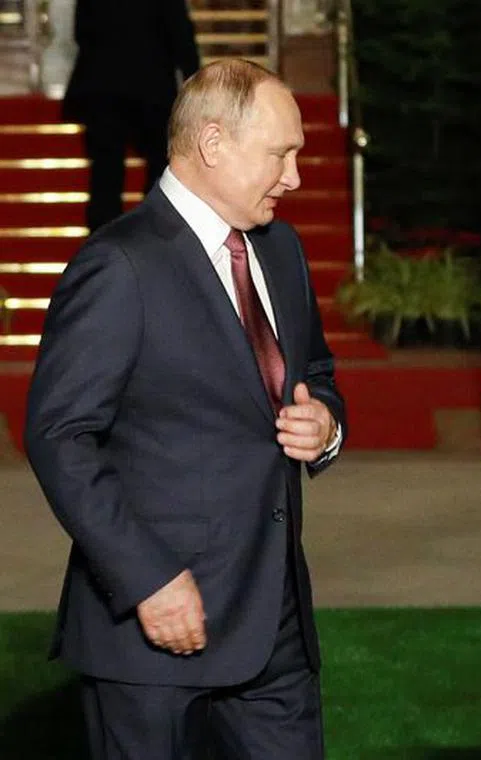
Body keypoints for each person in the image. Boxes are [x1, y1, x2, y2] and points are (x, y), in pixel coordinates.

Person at [25, 59, 346, 759]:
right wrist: (145, 579)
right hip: (155, 637)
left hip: (277, 626)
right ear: (212, 144)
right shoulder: (119, 265)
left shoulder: (281, 249)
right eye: (280, 153)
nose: (294, 176)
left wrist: (324, 423)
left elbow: (316, 370)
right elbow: (60, 435)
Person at [63, 0, 200, 232]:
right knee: (159, 166)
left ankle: (102, 240)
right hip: (150, 85)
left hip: (104, 86)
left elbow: (82, 31)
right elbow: (179, 30)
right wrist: (194, 79)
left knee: (106, 172)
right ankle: (152, 232)